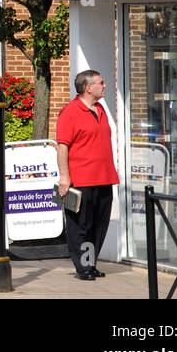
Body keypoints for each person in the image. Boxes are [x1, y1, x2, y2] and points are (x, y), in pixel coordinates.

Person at [56, 69, 120, 281]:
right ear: (88, 87)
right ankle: (83, 267)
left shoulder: (100, 109)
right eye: (101, 83)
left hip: (104, 178)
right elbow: (62, 147)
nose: (105, 86)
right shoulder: (70, 112)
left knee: (98, 225)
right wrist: (64, 177)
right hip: (81, 180)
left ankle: (91, 264)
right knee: (80, 226)